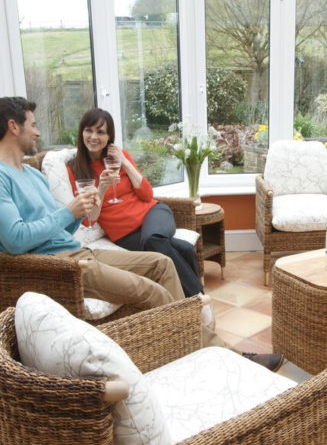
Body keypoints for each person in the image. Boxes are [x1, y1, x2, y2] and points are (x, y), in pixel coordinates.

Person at [0, 96, 283, 372]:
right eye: (33, 125)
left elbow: (69, 226)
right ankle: (226, 355)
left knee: (162, 263)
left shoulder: (32, 174)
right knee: (151, 290)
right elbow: (15, 240)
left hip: (79, 250)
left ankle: (187, 347)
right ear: (14, 127)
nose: (37, 131)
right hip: (60, 264)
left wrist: (76, 213)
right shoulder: (2, 177)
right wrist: (69, 211)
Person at [67, 108, 203, 298]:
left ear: (109, 137)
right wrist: (102, 189)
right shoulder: (75, 169)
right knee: (183, 248)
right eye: (89, 130)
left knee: (153, 239)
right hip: (125, 234)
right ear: (82, 132)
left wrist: (125, 162)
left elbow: (147, 195)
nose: (93, 137)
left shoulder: (118, 157)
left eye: (101, 132)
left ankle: (198, 298)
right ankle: (198, 299)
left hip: (154, 213)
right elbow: (89, 220)